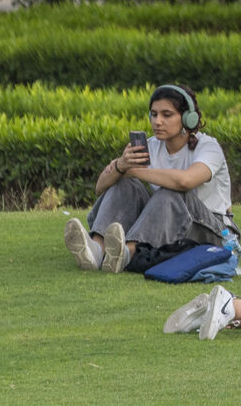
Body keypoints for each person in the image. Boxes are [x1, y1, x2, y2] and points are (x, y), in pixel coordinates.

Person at [67, 85, 230, 273]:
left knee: (170, 192)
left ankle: (126, 253)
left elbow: (186, 181)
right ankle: (96, 249)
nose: (158, 121)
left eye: (166, 115)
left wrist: (134, 171)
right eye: (154, 114)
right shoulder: (151, 146)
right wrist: (121, 166)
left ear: (187, 118)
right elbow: (99, 188)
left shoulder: (208, 147)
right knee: (126, 184)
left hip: (215, 232)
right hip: (173, 224)